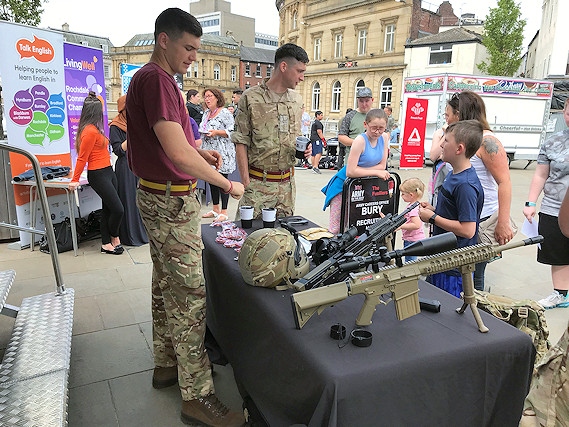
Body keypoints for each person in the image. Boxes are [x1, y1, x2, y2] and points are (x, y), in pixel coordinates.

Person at [125, 8, 245, 426]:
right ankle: (197, 395)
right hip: (170, 201)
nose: (194, 56)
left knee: (165, 283)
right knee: (191, 295)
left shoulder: (157, 80)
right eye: (189, 47)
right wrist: (227, 184)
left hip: (161, 196)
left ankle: (165, 364)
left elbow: (179, 143)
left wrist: (201, 153)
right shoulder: (157, 80)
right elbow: (176, 153)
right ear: (164, 39)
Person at [232, 43, 310, 219]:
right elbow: (240, 141)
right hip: (258, 185)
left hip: (287, 189)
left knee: (284, 241)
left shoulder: (296, 100)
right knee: (248, 238)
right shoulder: (251, 98)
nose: (302, 77)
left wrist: (305, 150)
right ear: (283, 67)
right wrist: (245, 182)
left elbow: (294, 138)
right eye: (299, 71)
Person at [418, 120, 484, 298]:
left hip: (453, 266)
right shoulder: (454, 175)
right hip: (442, 258)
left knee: (447, 311)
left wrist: (432, 218)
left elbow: (468, 230)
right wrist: (434, 209)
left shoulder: (465, 185)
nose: (441, 144)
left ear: (459, 149)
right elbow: (454, 212)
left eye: (446, 140)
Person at [456, 91, 514, 291]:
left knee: (475, 274)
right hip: (463, 216)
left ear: (461, 112)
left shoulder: (487, 141)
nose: (447, 117)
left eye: (450, 112)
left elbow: (504, 182)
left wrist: (503, 223)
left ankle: (477, 313)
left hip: (482, 217)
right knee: (460, 271)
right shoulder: (462, 137)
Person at [523, 97, 569, 309]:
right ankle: (560, 293)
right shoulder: (552, 142)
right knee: (557, 251)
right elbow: (541, 175)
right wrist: (531, 202)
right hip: (554, 207)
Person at [69, 92, 124, 255]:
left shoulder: (95, 129)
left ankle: (105, 244)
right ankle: (114, 237)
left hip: (108, 171)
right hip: (98, 174)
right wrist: (75, 180)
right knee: (118, 209)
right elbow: (82, 158)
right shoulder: (89, 131)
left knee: (108, 209)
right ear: (95, 112)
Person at [322, 108, 390, 234]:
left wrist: (364, 170)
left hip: (362, 184)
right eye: (373, 127)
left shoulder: (384, 137)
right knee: (337, 227)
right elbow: (350, 171)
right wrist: (375, 172)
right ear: (365, 124)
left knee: (360, 223)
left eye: (381, 128)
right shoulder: (360, 140)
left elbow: (382, 165)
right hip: (343, 185)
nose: (377, 132)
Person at [109, 94, 148, 247]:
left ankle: (142, 232)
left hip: (139, 165)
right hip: (125, 167)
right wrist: (132, 134)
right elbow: (118, 150)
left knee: (139, 200)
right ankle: (130, 235)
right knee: (129, 200)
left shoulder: (136, 123)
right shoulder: (115, 126)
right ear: (123, 109)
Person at [199, 88, 235, 223]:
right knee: (212, 180)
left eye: (210, 96)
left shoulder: (225, 113)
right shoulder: (207, 113)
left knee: (223, 181)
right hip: (209, 151)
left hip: (223, 151)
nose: (207, 99)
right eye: (205, 96)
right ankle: (215, 209)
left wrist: (217, 132)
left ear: (217, 97)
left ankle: (224, 211)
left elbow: (232, 130)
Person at [428, 93, 460, 215]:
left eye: (448, 115)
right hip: (440, 178)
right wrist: (446, 134)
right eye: (445, 115)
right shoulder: (439, 133)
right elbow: (433, 156)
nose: (446, 119)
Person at [337, 87, 374, 169]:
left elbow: (386, 134)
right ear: (357, 100)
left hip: (372, 160)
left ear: (372, 100)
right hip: (352, 158)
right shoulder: (350, 116)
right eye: (361, 101)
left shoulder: (377, 115)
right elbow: (341, 137)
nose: (364, 104)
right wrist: (358, 143)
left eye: (367, 101)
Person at [398, 177, 426, 262]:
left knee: (410, 261)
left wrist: (401, 226)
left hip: (412, 239)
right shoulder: (414, 205)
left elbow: (416, 225)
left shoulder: (413, 209)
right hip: (413, 238)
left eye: (403, 194)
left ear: (411, 195)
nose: (401, 196)